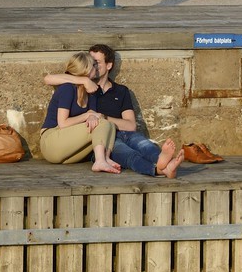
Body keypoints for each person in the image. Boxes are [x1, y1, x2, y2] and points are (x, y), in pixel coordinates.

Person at [43, 41, 183, 178]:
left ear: (109, 65)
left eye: (96, 62)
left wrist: (101, 116)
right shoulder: (83, 88)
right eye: (92, 63)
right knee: (128, 154)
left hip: (116, 133)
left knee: (144, 144)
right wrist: (84, 81)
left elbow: (131, 125)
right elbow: (49, 79)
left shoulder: (119, 91)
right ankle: (158, 170)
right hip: (102, 138)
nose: (95, 66)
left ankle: (166, 163)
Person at [39, 52, 121, 173]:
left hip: (67, 152)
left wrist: (91, 116)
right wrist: (87, 115)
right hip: (51, 140)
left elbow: (93, 113)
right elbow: (63, 123)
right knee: (103, 123)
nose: (96, 68)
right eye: (93, 65)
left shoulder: (91, 91)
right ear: (86, 69)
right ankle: (99, 161)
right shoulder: (67, 89)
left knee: (109, 125)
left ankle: (105, 158)